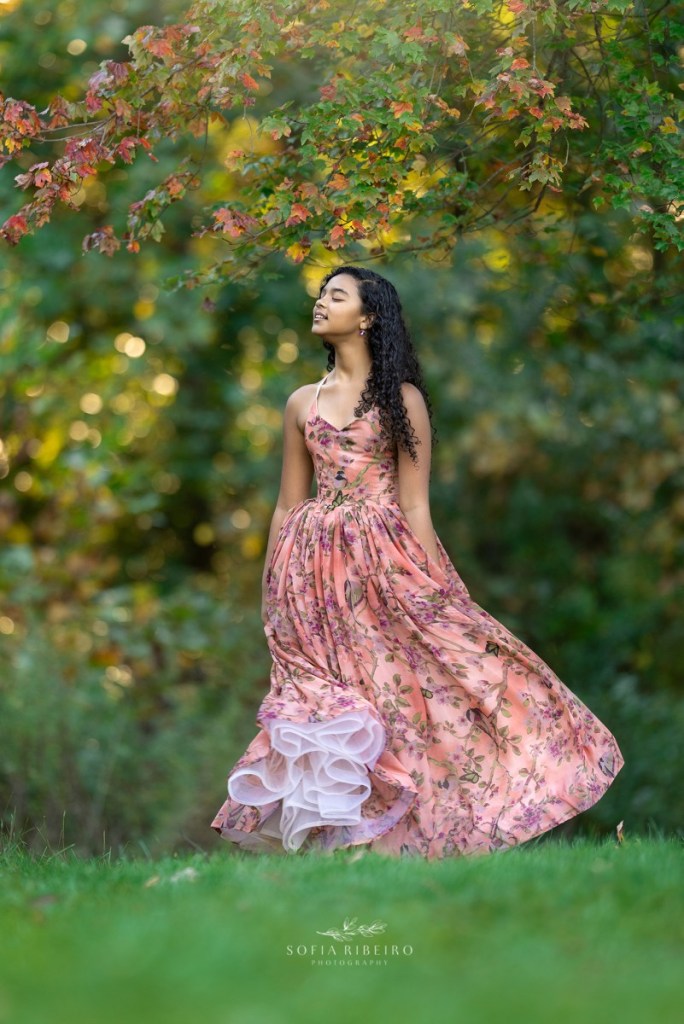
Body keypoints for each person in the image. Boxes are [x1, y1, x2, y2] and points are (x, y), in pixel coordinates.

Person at [211, 265, 624, 859]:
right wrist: (273, 583)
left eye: (336, 295)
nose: (320, 303)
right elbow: (286, 502)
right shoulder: (302, 401)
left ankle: (420, 833)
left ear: (369, 315)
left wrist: (437, 585)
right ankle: (343, 845)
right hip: (312, 572)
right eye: (320, 294)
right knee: (336, 701)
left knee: (399, 693)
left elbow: (415, 504)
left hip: (384, 561)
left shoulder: (401, 401)